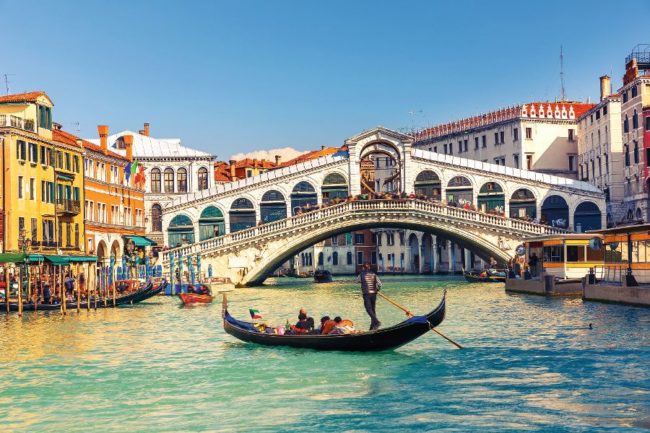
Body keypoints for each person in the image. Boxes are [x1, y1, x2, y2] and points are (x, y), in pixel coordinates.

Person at [357, 263, 381, 330]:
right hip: (374, 294)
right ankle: (373, 327)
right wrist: (377, 289)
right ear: (369, 268)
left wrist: (362, 281)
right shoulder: (374, 275)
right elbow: (380, 284)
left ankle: (376, 322)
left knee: (368, 309)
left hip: (366, 294)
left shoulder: (361, 275)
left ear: (363, 268)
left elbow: (357, 281)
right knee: (373, 310)